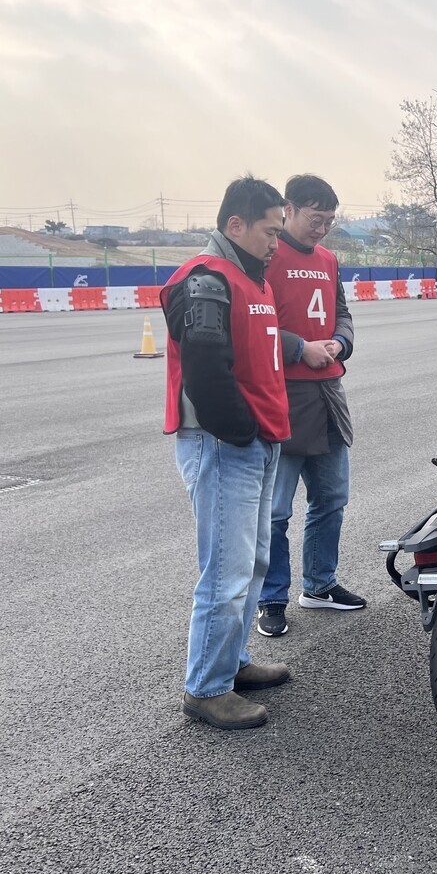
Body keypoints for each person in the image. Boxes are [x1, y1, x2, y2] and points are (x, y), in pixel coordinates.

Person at [161, 177, 294, 730]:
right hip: (225, 446)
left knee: (255, 561)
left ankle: (233, 662)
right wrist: (240, 433)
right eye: (269, 231)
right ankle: (206, 688)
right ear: (235, 225)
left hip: (256, 444)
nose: (275, 243)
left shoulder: (251, 279)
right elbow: (206, 372)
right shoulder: (207, 280)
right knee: (226, 572)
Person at [255, 174, 363, 639]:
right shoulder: (267, 255)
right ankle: (271, 598)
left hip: (327, 395)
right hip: (283, 397)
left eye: (330, 222)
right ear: (290, 210)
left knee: (331, 499)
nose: (322, 229)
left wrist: (340, 342)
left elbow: (342, 313)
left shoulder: (328, 260)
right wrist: (300, 348)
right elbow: (252, 324)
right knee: (276, 511)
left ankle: (320, 584)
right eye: (315, 219)